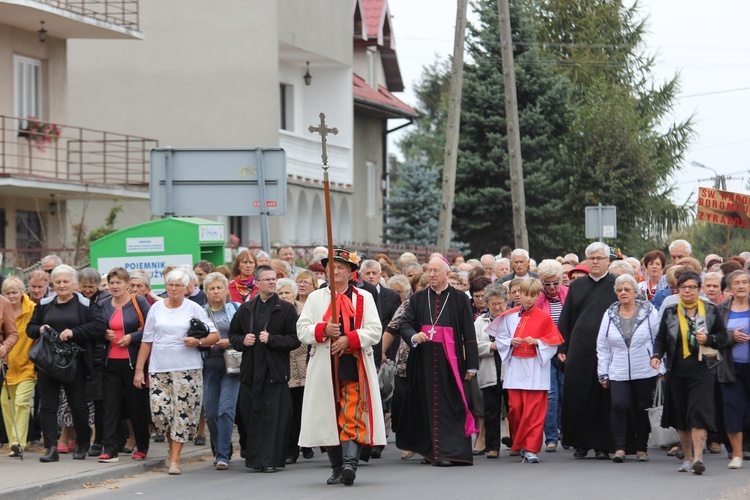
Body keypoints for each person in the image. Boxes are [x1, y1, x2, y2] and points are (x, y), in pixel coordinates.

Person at [297, 248, 385, 486]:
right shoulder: (316, 298)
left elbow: (375, 330)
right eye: (331, 268)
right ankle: (336, 467)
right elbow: (302, 329)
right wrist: (322, 329)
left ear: (350, 272)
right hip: (324, 364)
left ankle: (350, 464)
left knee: (352, 411)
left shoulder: (364, 298)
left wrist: (350, 338)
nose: (334, 272)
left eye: (340, 268)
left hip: (353, 362)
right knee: (328, 413)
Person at [133, 269, 219, 475]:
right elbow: (146, 341)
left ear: (186, 288)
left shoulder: (194, 308)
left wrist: (197, 341)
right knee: (161, 412)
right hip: (159, 367)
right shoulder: (156, 309)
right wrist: (138, 370)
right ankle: (172, 451)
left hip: (187, 368)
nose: (173, 289)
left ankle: (174, 459)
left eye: (178, 285)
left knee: (182, 412)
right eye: (170, 285)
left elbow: (214, 336)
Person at [397, 256, 479, 466]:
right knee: (425, 405)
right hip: (423, 361)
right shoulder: (417, 298)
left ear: (447, 274)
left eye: (435, 271)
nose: (431, 275)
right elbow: (405, 324)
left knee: (449, 406)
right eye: (429, 271)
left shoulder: (460, 298)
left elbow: (469, 334)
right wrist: (414, 337)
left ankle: (448, 452)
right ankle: (430, 450)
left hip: (449, 362)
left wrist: (471, 364)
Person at [26, 265, 106, 462]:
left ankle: (82, 443)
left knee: (77, 405)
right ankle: (51, 448)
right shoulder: (45, 304)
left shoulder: (85, 305)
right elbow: (30, 328)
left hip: (74, 362)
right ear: (52, 284)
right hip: (48, 362)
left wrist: (74, 332)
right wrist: (40, 329)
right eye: (58, 282)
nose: (62, 285)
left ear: (74, 283)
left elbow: (98, 326)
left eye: (66, 281)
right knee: (48, 406)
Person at [651, 271, 728, 475]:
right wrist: (657, 355)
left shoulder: (710, 310)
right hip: (676, 370)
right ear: (677, 289)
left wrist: (709, 340)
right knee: (681, 417)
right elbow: (660, 338)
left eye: (692, 287)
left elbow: (722, 336)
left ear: (699, 289)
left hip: (704, 370)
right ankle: (687, 458)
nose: (687, 291)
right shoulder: (670, 311)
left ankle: (698, 459)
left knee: (698, 413)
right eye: (683, 287)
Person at [228, 265, 300, 473]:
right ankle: (255, 459)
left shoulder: (285, 309)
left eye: (274, 279)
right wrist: (243, 340)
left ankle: (271, 460)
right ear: (257, 283)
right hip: (251, 372)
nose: (271, 282)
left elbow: (296, 339)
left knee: (273, 417)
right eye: (267, 279)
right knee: (251, 415)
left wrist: (273, 339)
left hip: (275, 372)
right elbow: (233, 335)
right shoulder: (246, 309)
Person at [489, 279, 564, 464]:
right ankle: (520, 443)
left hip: (537, 368)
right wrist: (509, 343)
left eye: (533, 295)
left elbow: (553, 343)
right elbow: (500, 338)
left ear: (538, 296)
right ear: (518, 294)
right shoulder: (508, 316)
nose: (529, 299)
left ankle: (530, 448)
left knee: (535, 411)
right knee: (515, 409)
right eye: (525, 295)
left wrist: (538, 342)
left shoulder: (545, 317)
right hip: (515, 368)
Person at [558, 242, 618, 459]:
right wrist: (562, 346)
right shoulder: (576, 286)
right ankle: (579, 443)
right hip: (577, 348)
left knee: (602, 397)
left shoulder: (615, 285)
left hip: (605, 351)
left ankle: (602, 444)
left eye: (599, 258)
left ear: (608, 261)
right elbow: (565, 319)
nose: (595, 262)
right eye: (591, 258)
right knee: (575, 393)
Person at [596, 274, 661, 463]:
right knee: (618, 405)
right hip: (618, 370)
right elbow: (602, 345)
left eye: (627, 289)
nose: (623, 293)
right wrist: (603, 372)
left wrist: (660, 366)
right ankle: (619, 448)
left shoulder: (649, 311)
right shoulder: (609, 314)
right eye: (619, 290)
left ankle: (641, 448)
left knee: (642, 408)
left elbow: (659, 339)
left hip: (645, 368)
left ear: (635, 292)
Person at [96, 268, 151, 463]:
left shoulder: (139, 302)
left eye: (119, 282)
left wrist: (131, 337)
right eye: (111, 282)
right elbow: (96, 327)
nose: (114, 286)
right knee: (110, 407)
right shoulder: (103, 304)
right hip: (110, 362)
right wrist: (104, 334)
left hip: (133, 362)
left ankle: (142, 447)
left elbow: (151, 329)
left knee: (136, 406)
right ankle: (110, 449)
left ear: (128, 284)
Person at [200, 272, 240, 470]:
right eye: (211, 288)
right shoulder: (199, 312)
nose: (216, 292)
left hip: (232, 366)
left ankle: (222, 455)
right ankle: (221, 446)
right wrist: (205, 343)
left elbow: (245, 334)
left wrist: (230, 341)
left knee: (226, 410)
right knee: (211, 413)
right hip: (209, 365)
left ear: (226, 290)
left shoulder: (236, 309)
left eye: (219, 288)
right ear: (206, 292)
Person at [716, 270, 750, 469]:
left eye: (745, 282)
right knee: (733, 409)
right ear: (729, 288)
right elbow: (712, 337)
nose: (741, 286)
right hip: (729, 368)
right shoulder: (721, 310)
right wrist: (731, 337)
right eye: (737, 282)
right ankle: (736, 455)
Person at [534, 259, 569, 452]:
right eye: (547, 283)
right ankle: (551, 437)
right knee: (551, 395)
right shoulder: (539, 298)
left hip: (565, 350)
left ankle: (567, 432)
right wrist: (540, 295)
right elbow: (535, 319)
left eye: (556, 282)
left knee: (566, 393)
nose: (553, 287)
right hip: (546, 352)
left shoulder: (567, 294)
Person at [475, 281, 508, 459]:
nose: (497, 307)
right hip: (488, 370)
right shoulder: (480, 321)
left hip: (509, 371)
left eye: (500, 303)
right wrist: (491, 346)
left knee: (513, 409)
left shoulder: (513, 318)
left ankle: (517, 444)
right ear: (487, 304)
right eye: (493, 304)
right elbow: (473, 346)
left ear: (506, 301)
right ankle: (492, 447)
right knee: (491, 411)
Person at [1, 277, 32, 457]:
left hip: (27, 365)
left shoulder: (32, 310)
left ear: (22, 291)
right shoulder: (3, 308)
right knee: (6, 403)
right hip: (6, 365)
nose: (12, 296)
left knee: (21, 402)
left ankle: (18, 442)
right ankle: (14, 441)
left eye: (15, 292)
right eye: (8, 293)